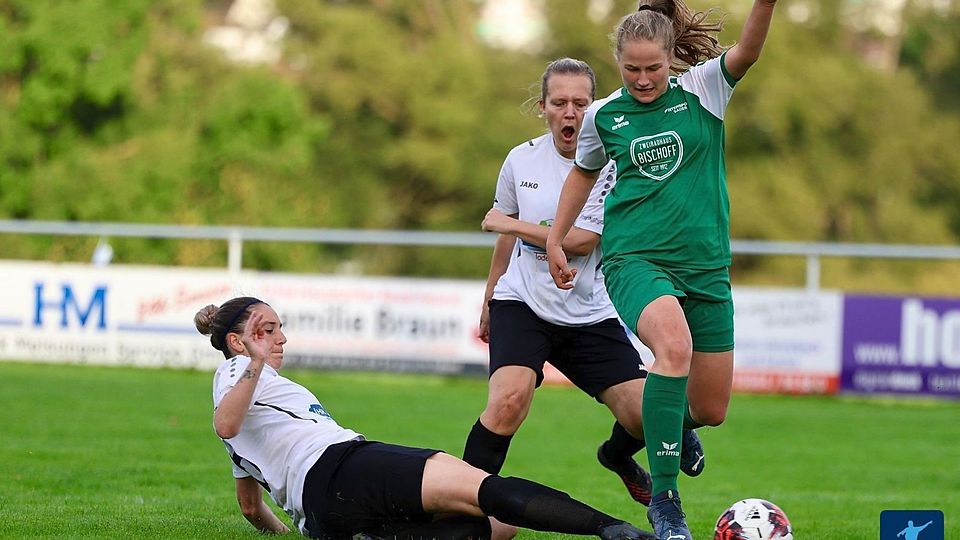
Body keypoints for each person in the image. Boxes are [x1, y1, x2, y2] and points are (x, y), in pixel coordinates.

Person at [545, 1, 779, 539]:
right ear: (618, 62)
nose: (644, 79)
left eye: (654, 67)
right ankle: (666, 504)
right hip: (634, 259)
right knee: (673, 350)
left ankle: (620, 445)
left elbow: (748, 52)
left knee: (710, 409)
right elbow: (582, 175)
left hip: (706, 268)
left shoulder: (704, 90)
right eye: (632, 69)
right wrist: (557, 239)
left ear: (672, 59)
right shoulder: (605, 115)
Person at [195, 296, 657, 540]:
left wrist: (291, 530)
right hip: (343, 468)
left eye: (278, 329)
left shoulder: (253, 400)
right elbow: (224, 424)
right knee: (485, 490)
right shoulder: (238, 371)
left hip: (322, 515)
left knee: (496, 527)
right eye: (267, 330)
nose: (280, 339)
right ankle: (611, 528)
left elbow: (251, 508)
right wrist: (253, 361)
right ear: (238, 342)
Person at [464, 57, 704, 511]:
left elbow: (581, 241)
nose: (570, 112)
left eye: (580, 102)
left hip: (590, 311)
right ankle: (461, 505)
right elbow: (503, 242)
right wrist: (490, 297)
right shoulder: (520, 159)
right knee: (508, 402)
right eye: (559, 102)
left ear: (593, 107)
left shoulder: (612, 161)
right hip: (525, 305)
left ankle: (615, 456)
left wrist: (510, 225)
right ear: (543, 106)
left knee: (642, 415)